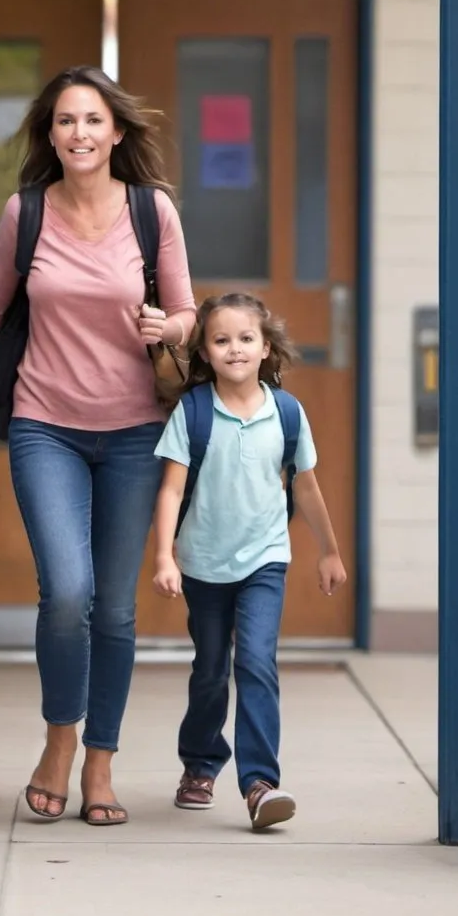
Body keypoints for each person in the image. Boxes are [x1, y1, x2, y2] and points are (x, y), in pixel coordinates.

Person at [0, 66, 196, 825]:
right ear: (49, 136)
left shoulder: (154, 212)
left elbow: (187, 311)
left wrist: (169, 327)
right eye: (63, 122)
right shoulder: (27, 212)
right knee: (67, 594)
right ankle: (60, 740)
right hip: (47, 425)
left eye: (91, 120)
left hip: (137, 434)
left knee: (114, 611)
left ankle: (101, 765)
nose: (78, 133)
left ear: (117, 131)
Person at [151, 292, 347, 830]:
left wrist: (329, 550)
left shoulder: (286, 412)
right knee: (211, 670)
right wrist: (164, 556)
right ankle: (200, 761)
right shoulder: (192, 413)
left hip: (265, 559)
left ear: (266, 348)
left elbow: (304, 486)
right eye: (220, 340)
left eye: (245, 338)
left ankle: (260, 783)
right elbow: (170, 491)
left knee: (256, 663)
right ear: (206, 353)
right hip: (203, 563)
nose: (234, 348)